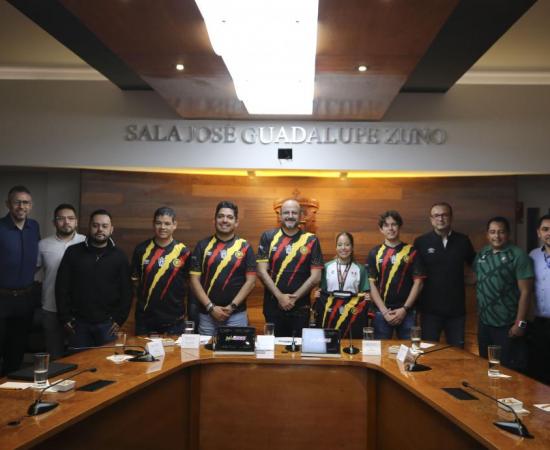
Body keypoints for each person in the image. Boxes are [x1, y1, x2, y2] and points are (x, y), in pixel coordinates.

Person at [56, 209, 132, 348]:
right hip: (78, 324)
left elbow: (127, 291)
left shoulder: (119, 256)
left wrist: (119, 319)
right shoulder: (73, 252)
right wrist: (65, 317)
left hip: (107, 325)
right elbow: (62, 286)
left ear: (111, 229)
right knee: (79, 365)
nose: (100, 230)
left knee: (107, 364)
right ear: (89, 227)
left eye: (104, 226)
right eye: (95, 225)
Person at [473, 216, 533, 372]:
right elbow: (475, 278)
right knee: (486, 367)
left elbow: (526, 292)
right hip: (485, 324)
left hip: (507, 325)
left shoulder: (518, 255)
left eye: (501, 232)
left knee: (508, 371)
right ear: (487, 234)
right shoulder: (483, 254)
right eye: (492, 232)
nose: (496, 236)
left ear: (508, 234)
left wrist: (520, 324)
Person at [257, 198, 323, 337]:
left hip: (301, 308)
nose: (290, 216)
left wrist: (294, 298)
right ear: (280, 216)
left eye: (294, 213)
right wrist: (280, 296)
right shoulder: (268, 237)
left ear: (300, 216)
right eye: (286, 212)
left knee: (298, 351)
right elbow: (261, 271)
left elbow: (316, 276)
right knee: (273, 351)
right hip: (273, 306)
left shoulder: (311, 240)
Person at [414, 202, 476, 347]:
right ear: (431, 219)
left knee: (458, 354)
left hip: (456, 311)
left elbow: (476, 264)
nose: (440, 219)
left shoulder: (463, 240)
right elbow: (415, 276)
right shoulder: (421, 242)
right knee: (427, 353)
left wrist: (471, 279)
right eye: (436, 215)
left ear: (451, 217)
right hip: (429, 311)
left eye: (444, 215)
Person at [190, 201, 256, 335]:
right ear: (214, 220)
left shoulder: (245, 247)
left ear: (236, 222)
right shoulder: (202, 245)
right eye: (221, 216)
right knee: (205, 354)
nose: (224, 220)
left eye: (229, 217)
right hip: (207, 315)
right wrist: (210, 307)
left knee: (235, 355)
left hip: (236, 315)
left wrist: (231, 307)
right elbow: (194, 280)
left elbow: (251, 282)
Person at [132, 207, 191, 335]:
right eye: (158, 223)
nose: (162, 227)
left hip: (174, 321)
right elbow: (135, 282)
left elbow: (189, 283)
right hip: (145, 320)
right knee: (145, 355)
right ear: (153, 224)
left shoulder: (183, 252)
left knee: (173, 355)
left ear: (175, 225)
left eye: (167, 223)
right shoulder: (141, 250)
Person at [366, 210, 425, 339]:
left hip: (407, 312)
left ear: (399, 226)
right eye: (386, 225)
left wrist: (404, 309)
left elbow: (418, 283)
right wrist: (384, 312)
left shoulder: (412, 251)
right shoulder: (374, 253)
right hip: (381, 313)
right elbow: (371, 284)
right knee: (378, 354)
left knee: (410, 354)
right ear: (381, 229)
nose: (390, 228)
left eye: (394, 224)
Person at [0, 186, 40, 375]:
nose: (21, 206)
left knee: (17, 349)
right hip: (2, 297)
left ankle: (10, 390)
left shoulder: (35, 228)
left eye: (25, 202)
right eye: (17, 202)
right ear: (8, 204)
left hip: (25, 298)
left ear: (30, 206)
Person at [37, 204, 85, 359]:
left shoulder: (86, 243)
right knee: (54, 355)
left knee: (79, 356)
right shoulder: (43, 245)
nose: (66, 222)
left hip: (78, 310)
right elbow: (34, 272)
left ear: (76, 221)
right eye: (61, 219)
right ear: (54, 222)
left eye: (70, 218)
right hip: (51, 309)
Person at [315, 232, 370, 336]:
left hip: (351, 314)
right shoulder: (327, 267)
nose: (343, 248)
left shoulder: (360, 269)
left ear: (352, 247)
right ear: (336, 247)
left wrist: (366, 298)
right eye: (340, 245)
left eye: (347, 244)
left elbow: (364, 292)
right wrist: (318, 295)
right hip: (331, 313)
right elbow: (322, 291)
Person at [528, 214, 550, 384]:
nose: (549, 233)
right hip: (539, 323)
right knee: (539, 369)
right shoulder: (533, 255)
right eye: (545, 229)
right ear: (538, 232)